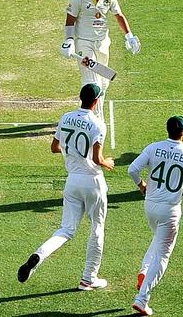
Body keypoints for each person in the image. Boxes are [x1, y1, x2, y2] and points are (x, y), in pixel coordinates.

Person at [17, 83, 114, 290]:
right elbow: (97, 159)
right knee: (97, 229)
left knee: (66, 230)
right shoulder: (98, 124)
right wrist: (108, 163)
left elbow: (54, 147)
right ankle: (89, 278)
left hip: (72, 181)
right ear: (96, 102)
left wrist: (71, 154)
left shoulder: (65, 117)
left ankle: (38, 256)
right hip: (93, 181)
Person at [127, 116, 183, 316]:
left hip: (150, 205)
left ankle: (144, 271)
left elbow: (132, 169)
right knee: (164, 254)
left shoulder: (153, 147)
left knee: (157, 241)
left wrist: (141, 185)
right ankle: (142, 299)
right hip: (170, 209)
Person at [60, 0, 141, 122]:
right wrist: (69, 40)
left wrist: (129, 35)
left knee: (103, 82)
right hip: (84, 43)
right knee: (91, 80)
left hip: (103, 43)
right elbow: (70, 21)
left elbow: (119, 15)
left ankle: (85, 109)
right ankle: (96, 119)